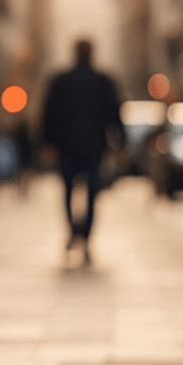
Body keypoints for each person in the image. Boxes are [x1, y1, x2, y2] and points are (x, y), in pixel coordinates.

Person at [41, 39, 122, 262]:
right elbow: (115, 114)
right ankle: (85, 236)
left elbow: (48, 114)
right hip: (94, 148)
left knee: (67, 191)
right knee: (93, 193)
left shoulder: (60, 81)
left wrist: (46, 143)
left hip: (66, 147)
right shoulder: (104, 81)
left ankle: (71, 231)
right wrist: (120, 144)